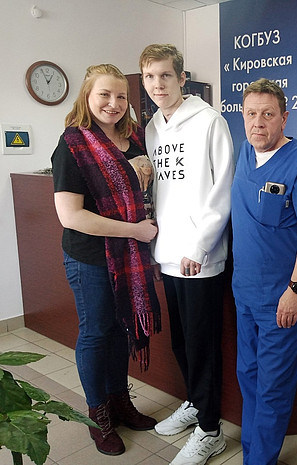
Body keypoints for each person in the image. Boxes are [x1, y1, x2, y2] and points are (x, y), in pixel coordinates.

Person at [51, 64, 160, 456]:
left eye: (121, 96)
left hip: (129, 257)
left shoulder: (135, 139)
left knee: (120, 330)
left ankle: (119, 402)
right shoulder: (72, 144)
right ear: (87, 96)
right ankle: (98, 415)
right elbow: (71, 216)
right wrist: (134, 231)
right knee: (96, 333)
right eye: (104, 95)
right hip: (91, 259)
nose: (113, 103)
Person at [139, 44, 234, 465]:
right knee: (181, 341)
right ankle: (196, 403)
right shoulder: (152, 128)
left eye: (165, 75)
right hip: (168, 253)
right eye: (149, 76)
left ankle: (211, 430)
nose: (157, 84)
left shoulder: (210, 121)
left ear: (181, 78)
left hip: (201, 256)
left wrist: (200, 245)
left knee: (202, 346)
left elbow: (223, 188)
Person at [231, 78, 297, 465]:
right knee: (248, 375)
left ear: (284, 118)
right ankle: (252, 455)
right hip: (244, 292)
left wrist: (296, 290)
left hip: (281, 297)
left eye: (268, 114)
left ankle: (260, 460)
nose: (258, 122)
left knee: (272, 387)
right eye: (251, 114)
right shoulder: (244, 152)